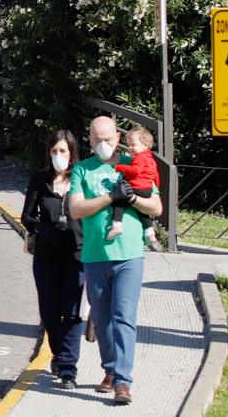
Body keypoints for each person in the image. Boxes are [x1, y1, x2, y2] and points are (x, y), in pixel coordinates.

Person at [68, 116, 162, 404]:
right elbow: (76, 209)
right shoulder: (82, 170)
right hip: (95, 255)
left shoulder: (136, 163)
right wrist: (110, 196)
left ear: (118, 139)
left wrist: (132, 199)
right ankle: (110, 369)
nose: (103, 145)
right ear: (90, 140)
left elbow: (156, 207)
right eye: (97, 140)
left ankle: (123, 380)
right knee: (103, 318)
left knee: (124, 318)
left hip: (129, 254)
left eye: (108, 139)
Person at [21, 130, 85, 389]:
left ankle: (68, 368)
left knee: (71, 314)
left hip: (75, 255)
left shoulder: (81, 180)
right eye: (54, 151)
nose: (59, 156)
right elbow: (27, 215)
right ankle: (58, 354)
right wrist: (39, 228)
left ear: (72, 155)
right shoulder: (40, 179)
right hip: (46, 255)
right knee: (49, 312)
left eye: (63, 151)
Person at [108, 127, 160, 248]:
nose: (130, 148)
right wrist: (155, 187)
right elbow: (156, 176)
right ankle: (149, 232)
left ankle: (116, 225)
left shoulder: (139, 157)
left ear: (145, 145)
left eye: (133, 145)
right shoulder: (151, 159)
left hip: (136, 187)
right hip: (147, 190)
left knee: (118, 202)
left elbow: (135, 171)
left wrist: (120, 168)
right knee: (142, 211)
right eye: (129, 145)